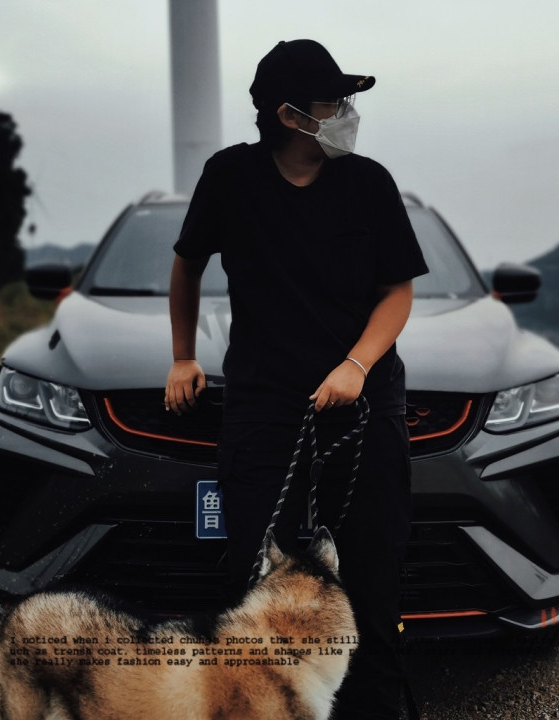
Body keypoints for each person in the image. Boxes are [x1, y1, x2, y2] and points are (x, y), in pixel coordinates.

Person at [165, 39, 428, 720]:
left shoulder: (369, 183)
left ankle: (375, 707)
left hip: (364, 402)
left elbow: (397, 292)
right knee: (257, 576)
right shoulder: (229, 176)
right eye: (333, 102)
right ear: (290, 115)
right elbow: (187, 263)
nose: (347, 113)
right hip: (265, 405)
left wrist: (356, 365)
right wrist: (183, 355)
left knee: (369, 576)